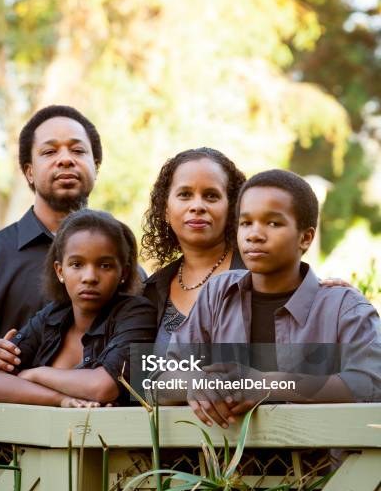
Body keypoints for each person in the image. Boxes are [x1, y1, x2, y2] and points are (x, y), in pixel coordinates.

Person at [162, 169, 381, 427]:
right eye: (246, 223)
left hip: (322, 465)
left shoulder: (343, 307)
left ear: (306, 238)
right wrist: (196, 383)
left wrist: (268, 383)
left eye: (273, 223)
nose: (254, 234)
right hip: (226, 464)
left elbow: (370, 382)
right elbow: (160, 377)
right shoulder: (217, 295)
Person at [0, 210, 157, 407]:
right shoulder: (50, 316)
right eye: (77, 264)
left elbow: (103, 387)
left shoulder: (137, 314)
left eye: (105, 265)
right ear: (60, 271)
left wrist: (34, 374)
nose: (89, 277)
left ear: (124, 271)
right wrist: (61, 399)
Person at [0, 105, 102, 361]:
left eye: (77, 150)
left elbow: (146, 361)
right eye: (49, 151)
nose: (65, 159)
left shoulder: (123, 264)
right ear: (29, 171)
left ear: (95, 167)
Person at [142, 148, 246, 343]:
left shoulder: (259, 277)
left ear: (232, 208)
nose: (197, 206)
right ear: (165, 209)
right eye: (185, 194)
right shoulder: (152, 291)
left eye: (211, 196)